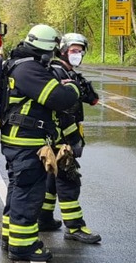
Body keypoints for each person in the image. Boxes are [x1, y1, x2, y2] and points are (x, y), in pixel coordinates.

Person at [0, 24, 82, 261]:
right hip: (27, 141)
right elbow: (58, 98)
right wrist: (73, 87)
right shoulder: (30, 70)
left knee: (18, 189)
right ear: (45, 49)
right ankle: (23, 247)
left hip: (18, 138)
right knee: (28, 193)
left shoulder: (18, 64)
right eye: (51, 52)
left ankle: (10, 236)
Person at [38, 32, 102, 244]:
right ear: (63, 51)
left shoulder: (68, 72)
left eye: (80, 51)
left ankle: (44, 218)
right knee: (68, 179)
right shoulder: (57, 72)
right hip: (62, 135)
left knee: (52, 177)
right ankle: (74, 228)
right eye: (74, 50)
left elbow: (92, 99)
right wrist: (68, 139)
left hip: (62, 134)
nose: (78, 54)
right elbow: (60, 106)